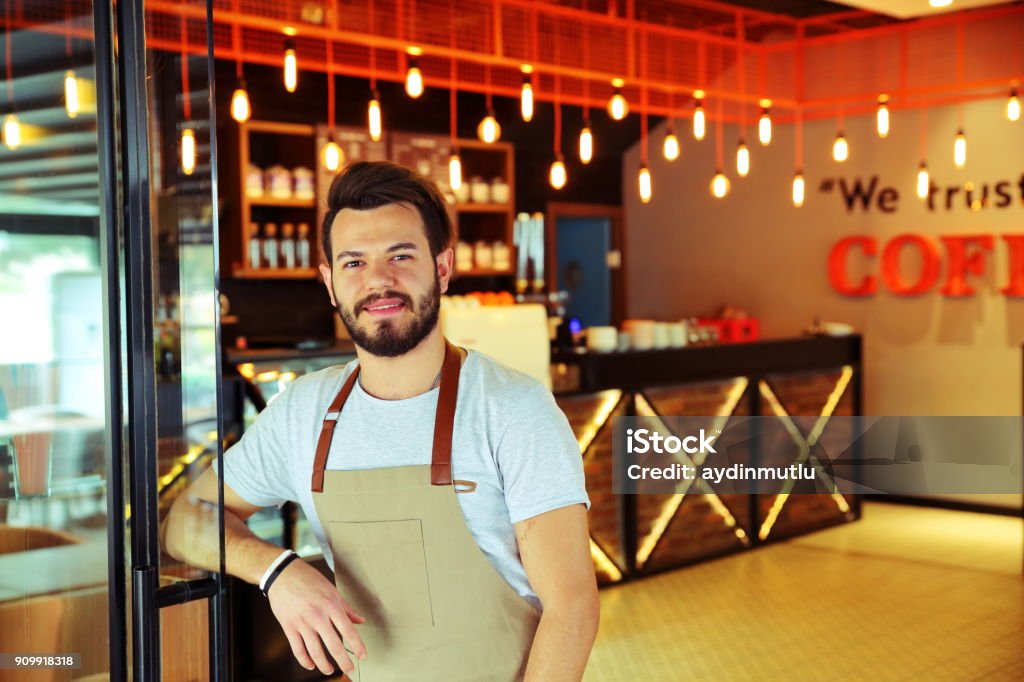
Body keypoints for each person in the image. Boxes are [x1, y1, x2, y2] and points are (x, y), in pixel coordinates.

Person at [162, 161, 600, 681]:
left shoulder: (513, 410)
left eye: (400, 255)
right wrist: (277, 571)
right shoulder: (302, 414)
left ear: (442, 266)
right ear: (329, 282)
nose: (378, 281)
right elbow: (183, 520)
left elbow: (572, 606)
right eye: (353, 262)